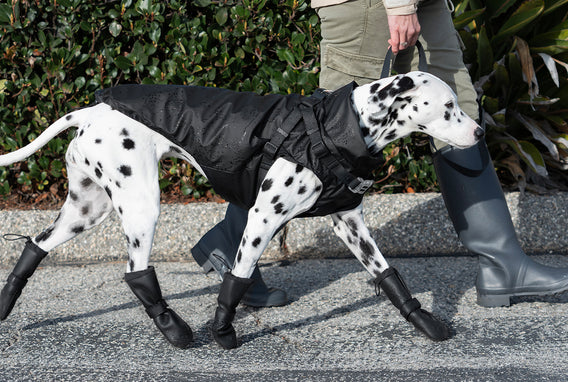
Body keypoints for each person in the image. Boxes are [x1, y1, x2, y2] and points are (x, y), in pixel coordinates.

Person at [192, 0, 568, 308]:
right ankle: (232, 236)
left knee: (460, 116)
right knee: (328, 136)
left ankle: (504, 265)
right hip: (369, 6)